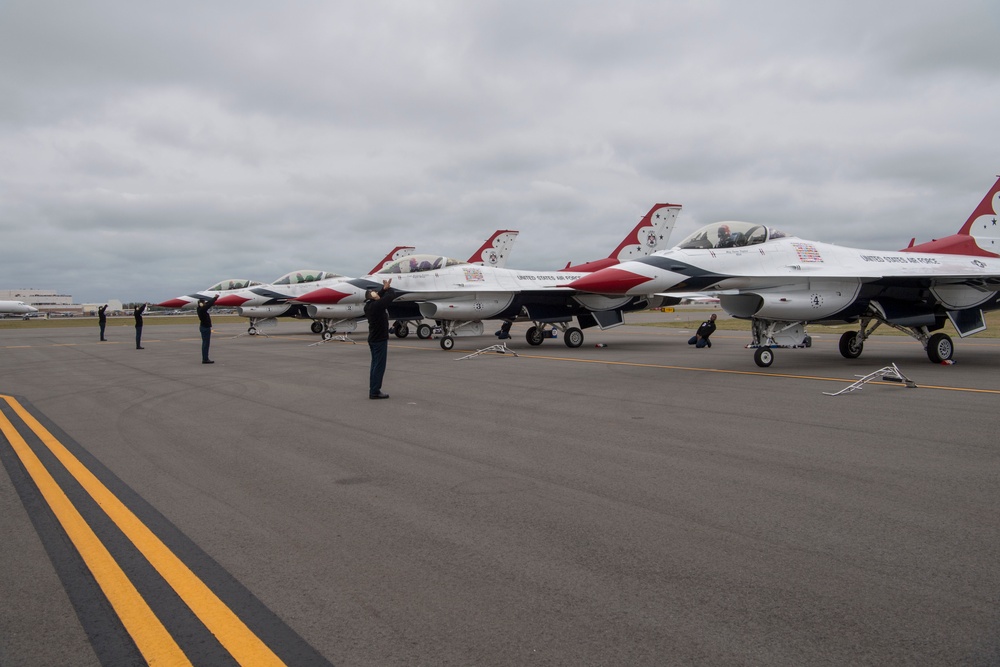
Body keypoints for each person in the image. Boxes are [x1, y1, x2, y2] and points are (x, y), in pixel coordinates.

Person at [364, 279, 398, 399]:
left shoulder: (369, 306)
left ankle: (373, 389)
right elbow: (392, 296)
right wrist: (388, 288)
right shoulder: (377, 306)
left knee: (375, 365)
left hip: (373, 338)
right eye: (375, 293)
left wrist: (383, 289)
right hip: (379, 339)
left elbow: (379, 296)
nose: (377, 294)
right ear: (373, 297)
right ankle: (374, 391)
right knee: (379, 366)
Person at [197, 295, 219, 364]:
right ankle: (205, 359)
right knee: (206, 344)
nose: (204, 303)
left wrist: (213, 299)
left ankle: (205, 358)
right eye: (203, 302)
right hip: (205, 328)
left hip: (203, 327)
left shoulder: (199, 308)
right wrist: (215, 298)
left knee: (205, 344)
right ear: (201, 303)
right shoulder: (202, 310)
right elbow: (208, 305)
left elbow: (207, 304)